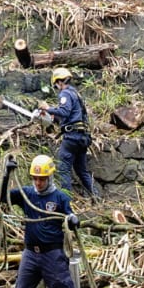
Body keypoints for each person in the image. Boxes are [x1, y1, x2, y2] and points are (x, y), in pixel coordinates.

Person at [0, 154, 87, 288]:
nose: (38, 183)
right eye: (35, 178)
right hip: (30, 253)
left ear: (50, 178)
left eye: (42, 179)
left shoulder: (60, 197)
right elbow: (1, 198)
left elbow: (70, 216)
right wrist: (6, 174)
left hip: (52, 254)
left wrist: (73, 220)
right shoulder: (26, 194)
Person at [38, 66, 97, 198]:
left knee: (63, 168)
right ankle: (97, 198)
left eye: (56, 84)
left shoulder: (65, 94)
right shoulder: (75, 93)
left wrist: (48, 108)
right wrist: (55, 117)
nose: (57, 87)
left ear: (59, 81)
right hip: (82, 138)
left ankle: (66, 202)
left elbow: (65, 111)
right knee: (82, 171)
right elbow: (72, 115)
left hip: (72, 138)